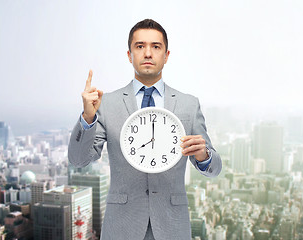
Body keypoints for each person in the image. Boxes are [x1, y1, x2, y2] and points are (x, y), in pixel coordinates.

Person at [68, 19, 222, 240]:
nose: (148, 53)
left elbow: (215, 168)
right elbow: (78, 160)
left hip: (172, 227)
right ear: (129, 55)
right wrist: (88, 117)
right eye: (140, 46)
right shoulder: (107, 103)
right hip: (122, 227)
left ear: (166, 56)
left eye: (155, 47)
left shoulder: (189, 105)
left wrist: (203, 155)